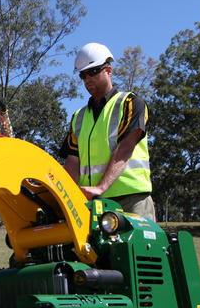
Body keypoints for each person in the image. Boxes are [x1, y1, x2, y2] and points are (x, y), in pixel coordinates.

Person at [59, 42, 156, 221]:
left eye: (93, 71)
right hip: (92, 204)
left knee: (137, 249)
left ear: (108, 70)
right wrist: (68, 196)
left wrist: (101, 187)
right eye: (83, 74)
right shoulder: (78, 117)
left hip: (131, 199)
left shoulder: (130, 103)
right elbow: (72, 160)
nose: (88, 78)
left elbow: (125, 147)